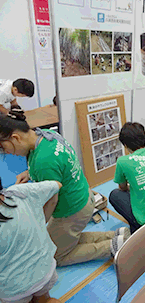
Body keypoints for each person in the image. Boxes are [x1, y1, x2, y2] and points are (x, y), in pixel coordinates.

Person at [1, 110, 123, 266]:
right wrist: (29, 173)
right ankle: (116, 235)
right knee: (63, 238)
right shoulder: (44, 134)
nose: (7, 153)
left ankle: (111, 246)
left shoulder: (43, 161)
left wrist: (37, 224)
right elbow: (58, 167)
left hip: (73, 210)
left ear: (15, 138)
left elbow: (51, 202)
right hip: (84, 195)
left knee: (55, 256)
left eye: (4, 149)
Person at [0, 179, 62, 303]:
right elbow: (57, 185)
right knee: (46, 300)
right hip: (44, 272)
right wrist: (41, 220)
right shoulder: (19, 191)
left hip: (13, 290)